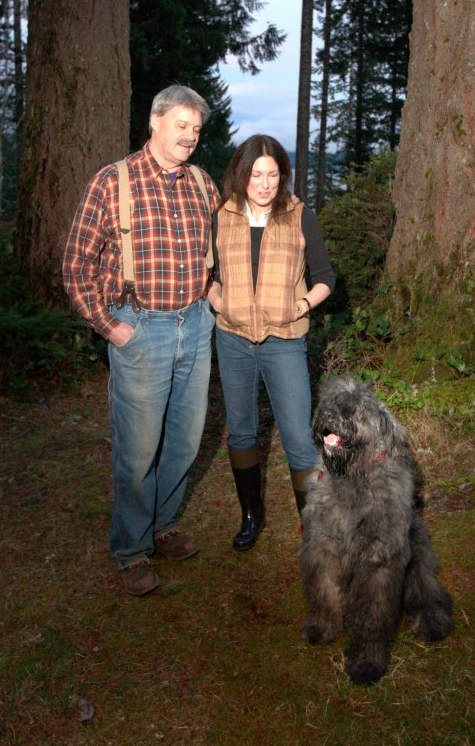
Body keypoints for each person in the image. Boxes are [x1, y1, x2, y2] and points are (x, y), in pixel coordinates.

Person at [63, 84, 219, 596]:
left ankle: (163, 524)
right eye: (181, 125)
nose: (190, 137)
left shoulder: (202, 184)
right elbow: (75, 266)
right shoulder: (113, 182)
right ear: (155, 122)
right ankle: (131, 548)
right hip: (140, 330)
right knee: (137, 451)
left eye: (197, 129)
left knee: (186, 440)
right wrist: (110, 327)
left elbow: (218, 250)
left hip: (195, 326)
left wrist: (214, 290)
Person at [207, 135, 335, 552]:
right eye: (256, 175)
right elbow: (209, 274)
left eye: (273, 175)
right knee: (241, 430)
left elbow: (325, 279)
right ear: (241, 175)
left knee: (298, 436)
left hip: (283, 341)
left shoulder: (299, 215)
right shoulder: (222, 215)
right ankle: (251, 515)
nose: (264, 184)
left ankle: (312, 529)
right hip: (233, 340)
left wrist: (301, 306)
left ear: (283, 176)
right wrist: (218, 300)